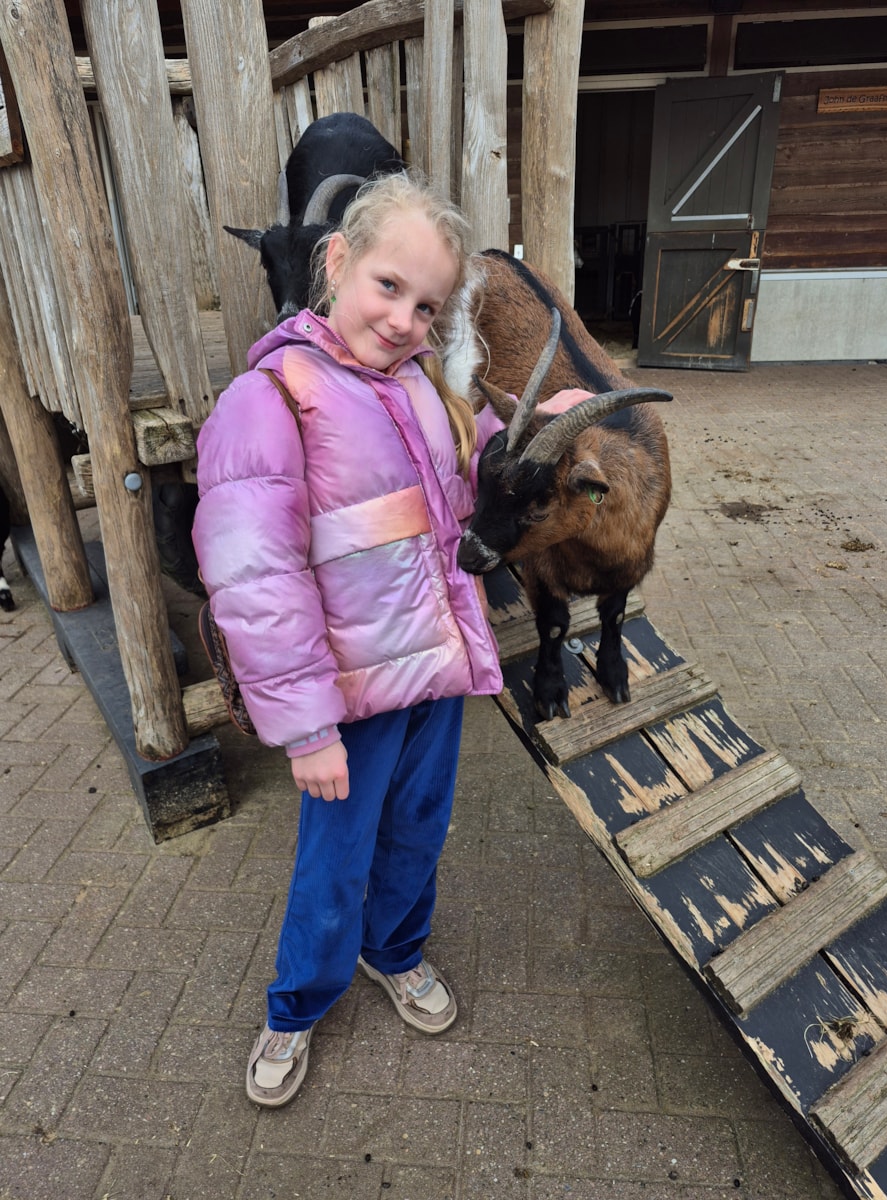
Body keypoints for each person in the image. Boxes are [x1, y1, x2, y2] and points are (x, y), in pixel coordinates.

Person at [192, 172, 509, 1109]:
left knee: (418, 831)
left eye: (427, 305)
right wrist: (307, 728)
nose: (405, 320)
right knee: (335, 858)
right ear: (337, 261)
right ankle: (298, 1004)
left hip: (434, 674)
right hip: (351, 700)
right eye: (388, 286)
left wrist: (529, 438)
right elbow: (256, 579)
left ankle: (396, 952)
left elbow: (464, 480)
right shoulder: (271, 397)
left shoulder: (420, 385)